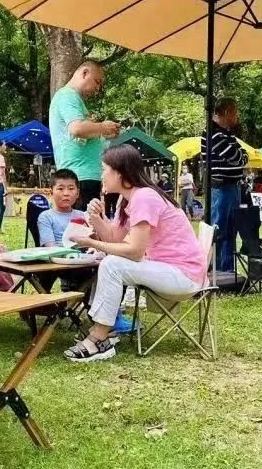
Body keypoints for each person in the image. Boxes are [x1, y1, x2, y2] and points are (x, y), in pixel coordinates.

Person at [63, 145, 207, 363]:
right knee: (109, 260)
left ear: (119, 173)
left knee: (112, 264)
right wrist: (96, 218)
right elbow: (115, 239)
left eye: (104, 169)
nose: (101, 175)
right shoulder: (127, 199)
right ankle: (105, 331)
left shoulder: (145, 197)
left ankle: (100, 337)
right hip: (166, 270)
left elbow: (134, 251)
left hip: (183, 276)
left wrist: (91, 242)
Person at [49, 60, 121, 210]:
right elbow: (76, 129)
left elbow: (80, 136)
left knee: (87, 229)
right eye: (97, 81)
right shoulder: (68, 96)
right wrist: (102, 127)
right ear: (85, 72)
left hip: (82, 177)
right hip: (79, 177)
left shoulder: (73, 99)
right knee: (83, 231)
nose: (98, 88)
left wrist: (104, 133)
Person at [201, 97, 247, 273]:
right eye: (235, 112)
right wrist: (241, 157)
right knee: (220, 229)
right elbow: (237, 158)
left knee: (230, 229)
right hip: (222, 187)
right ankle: (219, 269)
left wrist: (241, 156)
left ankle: (227, 269)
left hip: (230, 186)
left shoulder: (226, 134)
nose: (237, 117)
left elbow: (240, 155)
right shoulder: (215, 134)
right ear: (227, 113)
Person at [37, 169, 88, 247]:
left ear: (77, 193)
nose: (66, 193)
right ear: (51, 193)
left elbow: (92, 244)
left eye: (71, 189)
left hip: (82, 257)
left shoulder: (82, 215)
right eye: (60, 189)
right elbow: (50, 247)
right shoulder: (46, 217)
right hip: (56, 257)